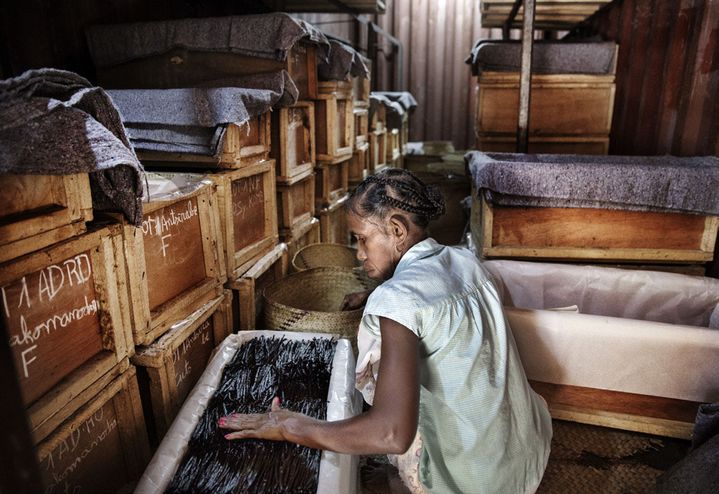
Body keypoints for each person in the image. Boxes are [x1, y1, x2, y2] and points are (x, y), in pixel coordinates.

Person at [219, 168, 552, 493]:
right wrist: (375, 294)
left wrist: (292, 426)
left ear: (396, 230)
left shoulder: (396, 300)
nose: (360, 254)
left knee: (388, 463)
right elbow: (438, 297)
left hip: (478, 482)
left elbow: (391, 434)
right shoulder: (466, 260)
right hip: (525, 454)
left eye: (362, 239)